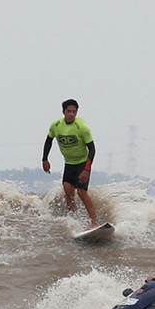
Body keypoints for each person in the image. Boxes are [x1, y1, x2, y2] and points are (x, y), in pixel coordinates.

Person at [42, 98, 99, 228]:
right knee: (68, 191)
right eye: (69, 111)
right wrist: (45, 159)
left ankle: (95, 222)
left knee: (81, 192)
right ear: (64, 112)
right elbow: (48, 141)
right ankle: (74, 221)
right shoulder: (56, 126)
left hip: (83, 162)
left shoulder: (82, 128)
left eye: (74, 111)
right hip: (69, 163)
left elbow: (92, 149)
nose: (72, 114)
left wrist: (86, 170)